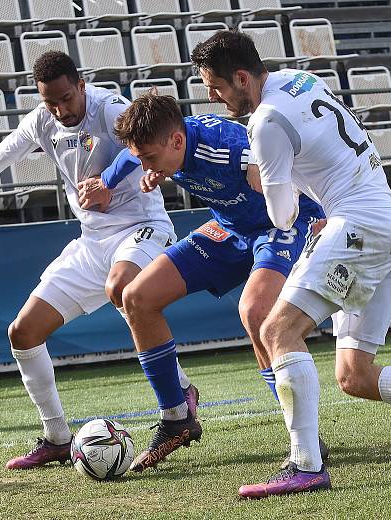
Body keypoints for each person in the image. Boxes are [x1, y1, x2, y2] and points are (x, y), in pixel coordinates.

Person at [190, 31, 391, 498]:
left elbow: (282, 216)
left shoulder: (266, 122)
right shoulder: (299, 79)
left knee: (277, 330)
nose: (216, 99)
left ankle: (305, 466)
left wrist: (259, 175)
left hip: (358, 225)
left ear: (242, 77)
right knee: (355, 375)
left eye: (218, 88)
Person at [0, 51, 198, 470]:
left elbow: (141, 146)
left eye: (66, 98)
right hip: (91, 241)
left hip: (142, 227)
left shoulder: (109, 107)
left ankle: (179, 400)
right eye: (51, 102)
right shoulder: (42, 120)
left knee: (124, 289)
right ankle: (57, 438)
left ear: (81, 85)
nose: (60, 109)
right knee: (23, 332)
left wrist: (106, 181)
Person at [81, 94, 327, 471]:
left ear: (176, 142)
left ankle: (305, 438)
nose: (143, 164)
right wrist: (108, 184)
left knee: (257, 311)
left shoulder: (228, 149)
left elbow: (286, 166)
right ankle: (177, 417)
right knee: (136, 297)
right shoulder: (161, 143)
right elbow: (130, 155)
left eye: (149, 158)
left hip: (280, 227)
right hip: (228, 229)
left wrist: (329, 213)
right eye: (143, 158)